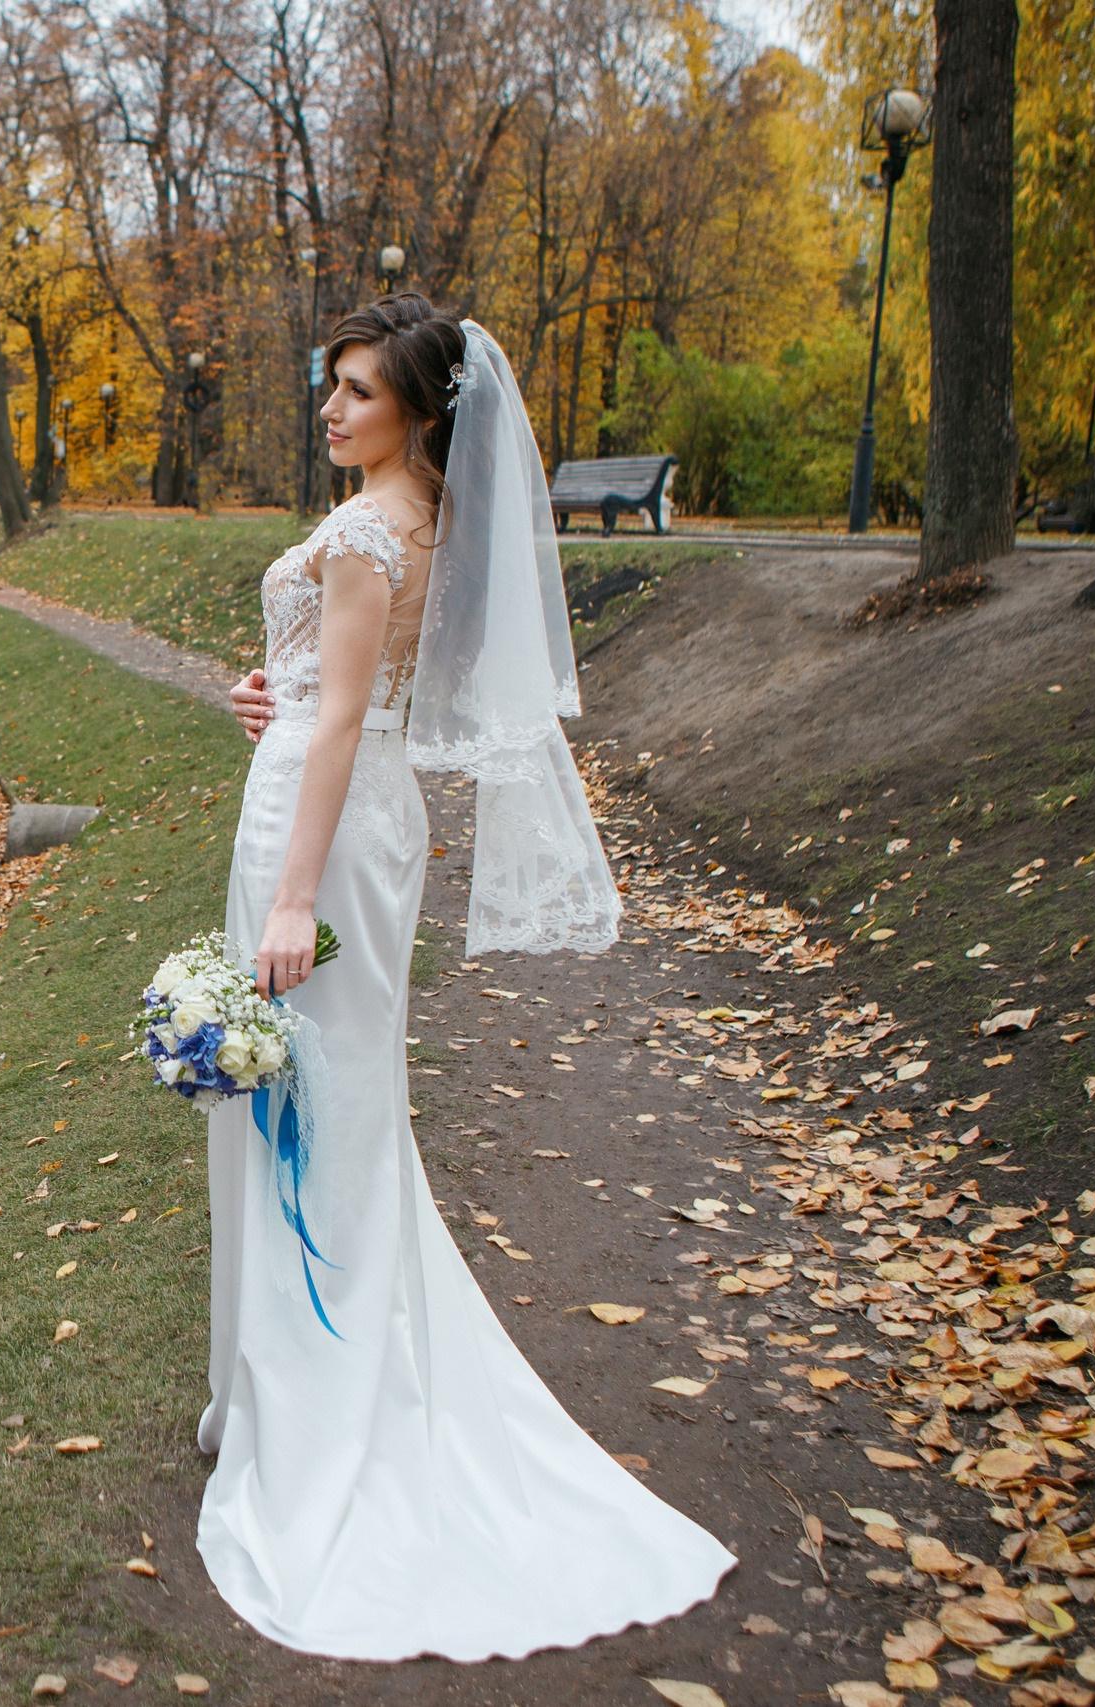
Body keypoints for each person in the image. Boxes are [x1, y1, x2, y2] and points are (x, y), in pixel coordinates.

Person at [202, 294, 733, 1661]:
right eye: (330, 385)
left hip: (323, 841)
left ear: (422, 410)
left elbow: (347, 725)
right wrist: (272, 692)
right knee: (329, 1107)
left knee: (315, 1112)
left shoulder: (378, 528)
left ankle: (325, 1414)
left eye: (360, 391)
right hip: (342, 802)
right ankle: (289, 1386)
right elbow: (344, 695)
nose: (333, 408)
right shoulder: (414, 513)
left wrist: (299, 898)